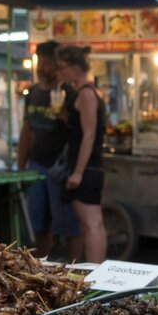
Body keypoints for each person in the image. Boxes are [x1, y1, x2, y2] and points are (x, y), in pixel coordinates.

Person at [15, 41, 83, 260]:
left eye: (49, 63)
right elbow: (27, 130)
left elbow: (81, 132)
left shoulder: (70, 93)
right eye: (41, 62)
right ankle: (39, 267)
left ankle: (76, 269)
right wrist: (20, 166)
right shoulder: (32, 93)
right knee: (38, 223)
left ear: (57, 64)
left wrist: (67, 118)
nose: (44, 68)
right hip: (35, 166)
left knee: (69, 225)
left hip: (60, 168)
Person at [56, 44, 107, 262]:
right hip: (88, 166)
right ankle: (95, 270)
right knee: (90, 223)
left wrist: (78, 172)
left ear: (76, 67)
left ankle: (96, 272)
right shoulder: (84, 93)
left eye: (63, 67)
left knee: (91, 223)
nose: (61, 73)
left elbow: (89, 135)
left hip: (87, 168)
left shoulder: (86, 94)